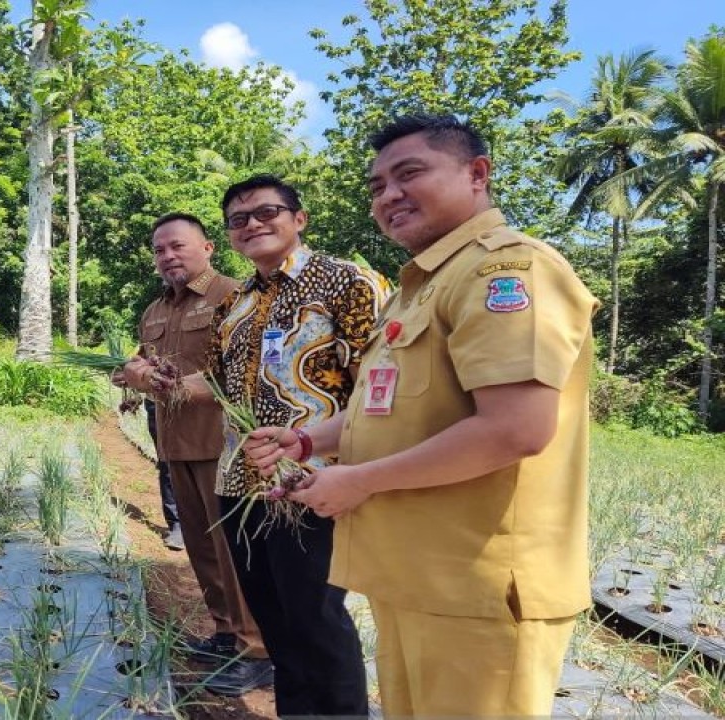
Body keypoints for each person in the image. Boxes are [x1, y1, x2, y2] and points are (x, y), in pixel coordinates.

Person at [245, 114, 598, 716]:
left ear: (477, 174)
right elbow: (384, 406)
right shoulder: (420, 287)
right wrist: (307, 441)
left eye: (409, 174)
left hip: (477, 585)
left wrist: (357, 481)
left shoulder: (506, 271)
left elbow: (516, 428)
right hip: (413, 574)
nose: (389, 195)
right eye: (378, 185)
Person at [152, 176, 387, 716]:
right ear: (230, 237)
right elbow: (214, 384)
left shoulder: (346, 283)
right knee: (276, 619)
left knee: (317, 618)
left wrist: (357, 474)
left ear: (298, 219)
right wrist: (160, 382)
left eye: (267, 212)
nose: (252, 224)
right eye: (239, 219)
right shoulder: (235, 304)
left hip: (312, 482)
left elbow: (379, 390)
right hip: (239, 482)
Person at [120, 213, 270, 696]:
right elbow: (143, 362)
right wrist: (133, 371)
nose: (168, 256)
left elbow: (247, 371)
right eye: (160, 250)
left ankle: (258, 649)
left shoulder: (236, 295)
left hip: (224, 444)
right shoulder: (154, 310)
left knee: (233, 549)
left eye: (177, 246)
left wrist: (174, 383)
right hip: (173, 442)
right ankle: (227, 631)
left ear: (207, 247)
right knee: (202, 551)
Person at [142, 397, 181, 550]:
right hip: (161, 402)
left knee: (208, 466)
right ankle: (177, 524)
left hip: (203, 405)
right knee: (168, 464)